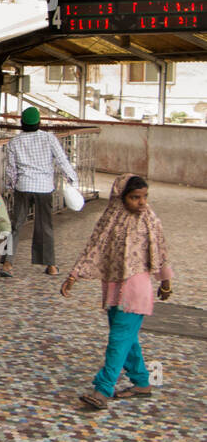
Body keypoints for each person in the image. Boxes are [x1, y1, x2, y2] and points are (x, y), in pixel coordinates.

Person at [61, 174, 172, 410]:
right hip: (114, 287)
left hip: (136, 290)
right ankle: (142, 381)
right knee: (126, 338)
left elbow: (161, 250)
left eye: (144, 197)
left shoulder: (149, 219)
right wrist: (74, 275)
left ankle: (103, 389)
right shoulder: (110, 220)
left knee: (118, 339)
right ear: (120, 198)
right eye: (134, 197)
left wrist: (165, 281)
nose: (141, 202)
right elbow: (94, 247)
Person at [0, 106, 78, 278]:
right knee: (45, 227)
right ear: (39, 123)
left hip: (23, 186)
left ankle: (7, 264)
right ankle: (51, 265)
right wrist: (73, 180)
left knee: (15, 225)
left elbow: (11, 170)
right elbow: (62, 161)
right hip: (44, 188)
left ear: (21, 123)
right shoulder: (49, 138)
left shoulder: (14, 142)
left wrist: (10, 187)